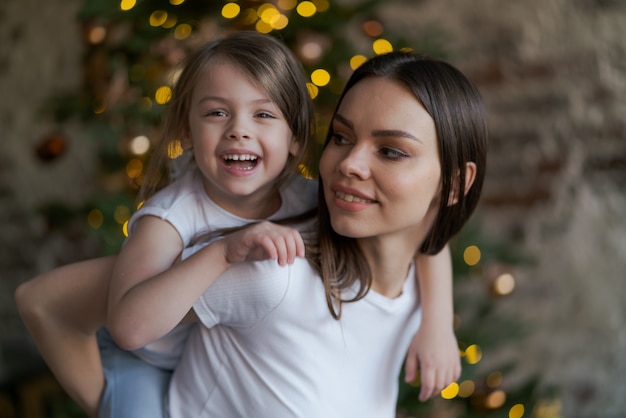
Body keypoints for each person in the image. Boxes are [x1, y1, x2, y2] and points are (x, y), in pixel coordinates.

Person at [14, 33, 458, 417]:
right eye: (216, 113)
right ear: (186, 132)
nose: (238, 131)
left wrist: (438, 325)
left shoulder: (309, 197)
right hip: (142, 361)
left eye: (263, 115)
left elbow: (425, 235)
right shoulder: (169, 219)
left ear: (295, 140)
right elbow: (128, 329)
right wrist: (224, 252)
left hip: (195, 348)